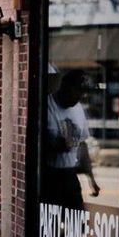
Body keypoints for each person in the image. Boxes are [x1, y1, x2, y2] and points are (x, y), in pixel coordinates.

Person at [43, 69, 99, 207]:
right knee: (51, 224)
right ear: (65, 86)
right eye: (77, 91)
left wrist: (91, 177)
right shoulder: (46, 106)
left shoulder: (78, 108)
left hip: (70, 174)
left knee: (78, 222)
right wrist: (59, 144)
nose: (79, 97)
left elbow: (82, 144)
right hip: (50, 176)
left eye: (82, 93)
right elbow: (40, 145)